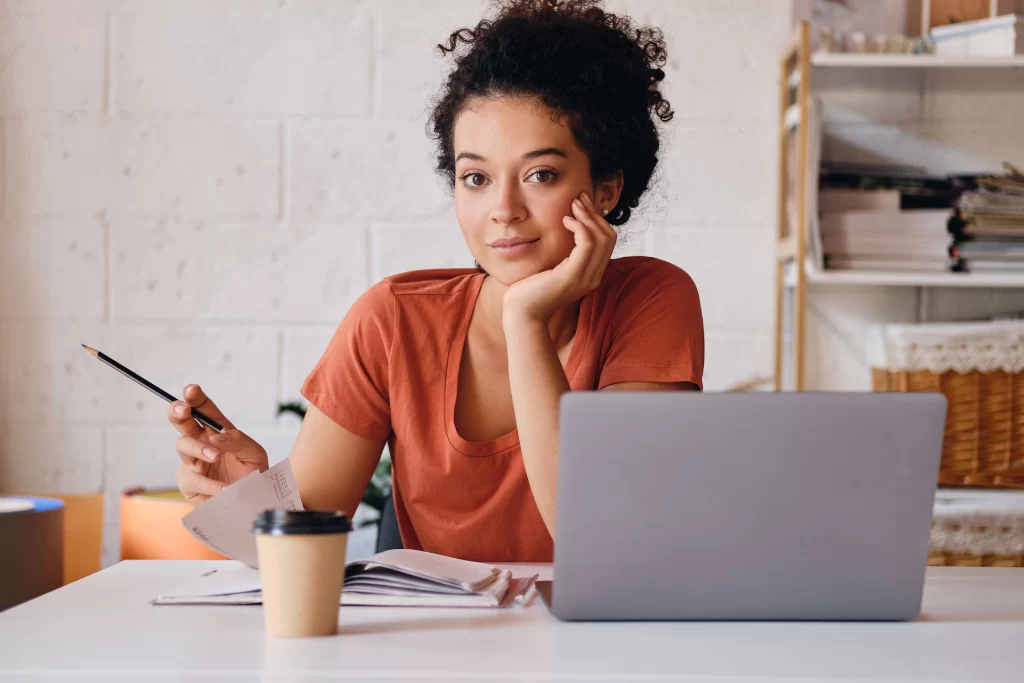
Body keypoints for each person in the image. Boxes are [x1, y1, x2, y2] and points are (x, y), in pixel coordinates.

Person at [169, 0, 704, 563]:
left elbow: (597, 538)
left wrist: (525, 319)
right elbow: (296, 561)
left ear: (604, 190)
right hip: (433, 647)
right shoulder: (394, 320)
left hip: (598, 646)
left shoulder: (651, 300)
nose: (502, 208)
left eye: (540, 175)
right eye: (475, 177)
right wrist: (249, 499)